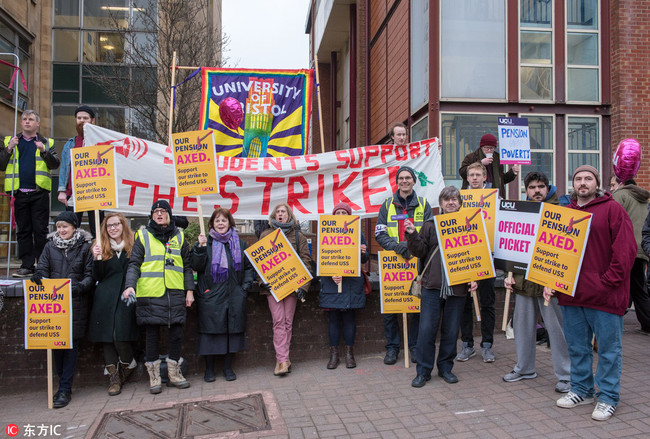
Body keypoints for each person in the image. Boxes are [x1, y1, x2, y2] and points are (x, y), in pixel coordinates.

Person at [544, 165, 636, 421]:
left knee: (608, 350)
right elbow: (552, 252)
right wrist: (551, 279)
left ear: (597, 183)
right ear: (573, 184)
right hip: (573, 296)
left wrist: (607, 282)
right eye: (578, 179)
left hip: (605, 296)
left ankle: (607, 397)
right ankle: (582, 389)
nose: (583, 183)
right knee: (577, 348)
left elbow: (625, 252)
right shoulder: (565, 213)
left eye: (588, 178)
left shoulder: (612, 210)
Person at [502, 171, 571, 393]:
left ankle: (566, 375)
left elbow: (564, 250)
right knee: (522, 328)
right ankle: (524, 368)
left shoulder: (560, 212)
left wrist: (557, 280)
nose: (537, 191)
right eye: (532, 187)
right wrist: (508, 274)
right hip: (523, 281)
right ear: (526, 190)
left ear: (547, 187)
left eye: (541, 186)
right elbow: (511, 244)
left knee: (556, 330)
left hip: (549, 283)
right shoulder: (521, 210)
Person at [405, 186, 477, 387]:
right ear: (441, 203)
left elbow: (475, 253)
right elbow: (420, 252)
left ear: (460, 203)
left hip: (458, 287)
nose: (451, 202)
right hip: (432, 286)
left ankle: (446, 368)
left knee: (452, 330)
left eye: (454, 199)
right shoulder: (430, 225)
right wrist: (411, 235)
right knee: (426, 330)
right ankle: (423, 371)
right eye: (447, 199)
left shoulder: (469, 224)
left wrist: (475, 277)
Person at [123, 200, 194, 394]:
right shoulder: (143, 236)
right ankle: (154, 377)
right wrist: (130, 286)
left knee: (176, 334)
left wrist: (189, 290)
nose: (159, 214)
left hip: (175, 292)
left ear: (170, 215)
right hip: (150, 292)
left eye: (163, 211)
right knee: (152, 336)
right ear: (151, 215)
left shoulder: (179, 236)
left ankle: (174, 374)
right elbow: (134, 264)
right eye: (156, 211)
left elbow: (187, 266)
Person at [30, 211, 93, 408]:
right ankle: (61, 387)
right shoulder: (50, 247)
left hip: (75, 304)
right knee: (56, 346)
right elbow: (42, 269)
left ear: (74, 227)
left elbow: (90, 276)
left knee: (71, 346)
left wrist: (80, 287)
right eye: (58, 227)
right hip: (54, 306)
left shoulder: (85, 248)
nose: (61, 230)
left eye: (65, 226)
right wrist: (38, 276)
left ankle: (65, 389)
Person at [375, 165, 432, 365]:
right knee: (391, 308)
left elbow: (429, 235)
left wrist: (412, 246)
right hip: (392, 263)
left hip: (417, 263)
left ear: (414, 181)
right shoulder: (387, 205)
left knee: (416, 306)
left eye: (408, 178)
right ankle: (392, 348)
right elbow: (379, 233)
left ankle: (414, 347)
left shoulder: (424, 205)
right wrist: (398, 247)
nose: (405, 181)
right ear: (397, 181)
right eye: (401, 178)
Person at [192, 208, 254, 382]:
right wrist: (199, 248)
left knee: (231, 333)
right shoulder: (206, 243)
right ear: (212, 224)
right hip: (211, 296)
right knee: (210, 334)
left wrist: (244, 288)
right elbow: (196, 266)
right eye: (217, 220)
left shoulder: (240, 244)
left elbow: (249, 267)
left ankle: (228, 368)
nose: (220, 223)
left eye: (224, 220)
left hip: (234, 296)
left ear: (230, 223)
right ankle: (209, 369)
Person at [0, 110, 60, 278]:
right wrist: (8, 149)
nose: (27, 122)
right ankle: (26, 265)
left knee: (40, 230)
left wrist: (44, 151)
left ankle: (42, 265)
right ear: (21, 122)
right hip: (19, 193)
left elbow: (55, 164)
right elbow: (1, 164)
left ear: (37, 123)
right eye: (24, 119)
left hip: (39, 193)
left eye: (31, 119)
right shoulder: (10, 141)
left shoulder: (46, 142)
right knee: (23, 230)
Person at [87, 213, 138, 396]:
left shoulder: (133, 244)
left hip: (125, 295)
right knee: (107, 338)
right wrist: (96, 259)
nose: (113, 228)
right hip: (105, 298)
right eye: (109, 226)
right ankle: (114, 377)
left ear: (123, 225)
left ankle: (129, 363)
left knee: (120, 335)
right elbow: (98, 277)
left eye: (116, 224)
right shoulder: (99, 246)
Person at [259, 203, 312, 376]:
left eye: (283, 212)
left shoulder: (299, 236)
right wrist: (261, 282)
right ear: (274, 216)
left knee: (288, 322)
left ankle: (283, 359)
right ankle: (281, 360)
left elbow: (306, 262)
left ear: (289, 216)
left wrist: (304, 286)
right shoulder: (266, 234)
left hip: (292, 286)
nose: (280, 214)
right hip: (273, 287)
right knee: (278, 321)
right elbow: (258, 263)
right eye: (278, 212)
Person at [319, 202, 369, 369]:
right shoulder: (325, 231)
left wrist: (363, 251)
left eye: (344, 213)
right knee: (333, 319)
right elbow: (323, 257)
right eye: (338, 213)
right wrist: (330, 272)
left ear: (349, 216)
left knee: (349, 318)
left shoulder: (357, 232)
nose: (341, 216)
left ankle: (349, 353)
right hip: (332, 283)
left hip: (350, 284)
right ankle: (334, 354)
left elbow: (364, 259)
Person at [456, 161, 498, 363]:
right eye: (470, 175)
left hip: (488, 254)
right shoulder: (459, 200)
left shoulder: (493, 199)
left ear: (484, 178)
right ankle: (467, 345)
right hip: (466, 254)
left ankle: (487, 345)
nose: (473, 178)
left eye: (477, 175)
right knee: (465, 302)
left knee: (487, 302)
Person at [57, 105, 104, 238]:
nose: (82, 120)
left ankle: (98, 258)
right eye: (79, 118)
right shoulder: (70, 144)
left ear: (92, 120)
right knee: (71, 229)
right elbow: (64, 169)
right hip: (74, 193)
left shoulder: (101, 142)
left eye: (85, 118)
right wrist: (62, 190)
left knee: (97, 231)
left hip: (96, 192)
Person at [611, 177, 650, 334]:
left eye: (613, 184)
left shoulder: (620, 196)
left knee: (620, 287)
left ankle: (614, 322)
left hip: (626, 249)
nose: (611, 188)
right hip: (642, 249)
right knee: (639, 288)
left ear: (621, 183)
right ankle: (647, 323)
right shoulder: (643, 198)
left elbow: (612, 221)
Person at [459, 133, 519, 198]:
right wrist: (480, 163)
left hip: (493, 196)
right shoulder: (471, 157)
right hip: (474, 196)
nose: (489, 150)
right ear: (481, 147)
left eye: (492, 148)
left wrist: (512, 173)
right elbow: (462, 172)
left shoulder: (497, 158)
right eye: (486, 148)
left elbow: (501, 180)